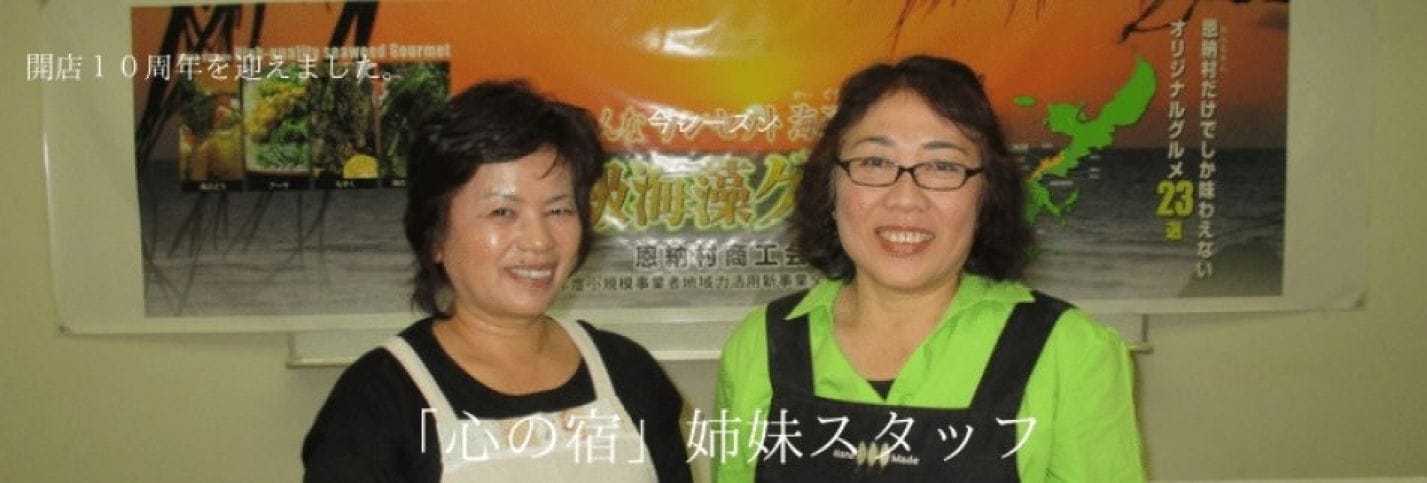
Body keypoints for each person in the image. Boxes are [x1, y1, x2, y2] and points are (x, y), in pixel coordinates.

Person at [713, 56, 1145, 482]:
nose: (905, 199)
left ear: (986, 195)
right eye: (875, 162)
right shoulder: (761, 343)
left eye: (942, 166)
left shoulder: (1068, 350)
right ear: (830, 185)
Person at [303, 80, 692, 482]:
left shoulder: (628, 372)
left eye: (558, 211)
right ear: (435, 236)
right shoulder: (378, 401)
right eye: (503, 213)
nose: (539, 241)